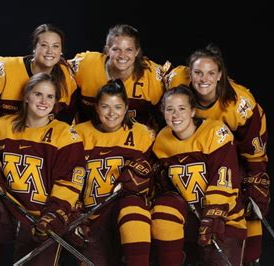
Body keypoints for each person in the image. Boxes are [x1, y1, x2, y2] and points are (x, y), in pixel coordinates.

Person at [0, 73, 86, 265]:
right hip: (7, 209)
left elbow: (69, 181)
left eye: (50, 96)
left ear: (55, 102)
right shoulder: (1, 126)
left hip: (41, 220)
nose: (43, 101)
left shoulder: (66, 136)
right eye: (38, 94)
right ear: (27, 96)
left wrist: (54, 214)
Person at [165, 44, 270, 265]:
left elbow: (253, 150)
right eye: (198, 72)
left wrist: (255, 178)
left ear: (220, 74)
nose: (204, 79)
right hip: (192, 158)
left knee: (242, 208)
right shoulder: (175, 80)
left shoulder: (239, 104)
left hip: (229, 160)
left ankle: (249, 258)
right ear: (189, 73)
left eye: (211, 73)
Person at [151, 85, 247, 266]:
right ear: (163, 112)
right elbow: (162, 186)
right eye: (169, 109)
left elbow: (223, 178)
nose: (175, 115)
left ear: (193, 111)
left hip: (224, 221)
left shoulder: (215, 132)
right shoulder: (161, 141)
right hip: (189, 222)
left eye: (182, 108)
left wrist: (213, 214)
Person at [72, 79, 156, 265]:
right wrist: (74, 213)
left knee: (132, 205)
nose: (112, 113)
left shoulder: (142, 134)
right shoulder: (78, 134)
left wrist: (142, 176)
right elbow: (68, 177)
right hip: (91, 218)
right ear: (96, 108)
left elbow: (154, 177)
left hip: (126, 217)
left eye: (117, 107)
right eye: (105, 107)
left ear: (126, 108)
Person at [0, 23, 78, 152]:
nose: (50, 51)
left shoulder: (66, 78)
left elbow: (66, 119)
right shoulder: (4, 70)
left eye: (55, 46)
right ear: (34, 47)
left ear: (61, 50)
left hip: (37, 150)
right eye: (44, 45)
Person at [68, 24, 169, 131]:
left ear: (137, 51)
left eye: (129, 50)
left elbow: (178, 79)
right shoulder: (86, 65)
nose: (122, 55)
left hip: (137, 141)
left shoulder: (152, 75)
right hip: (86, 138)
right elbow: (59, 69)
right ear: (107, 50)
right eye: (116, 49)